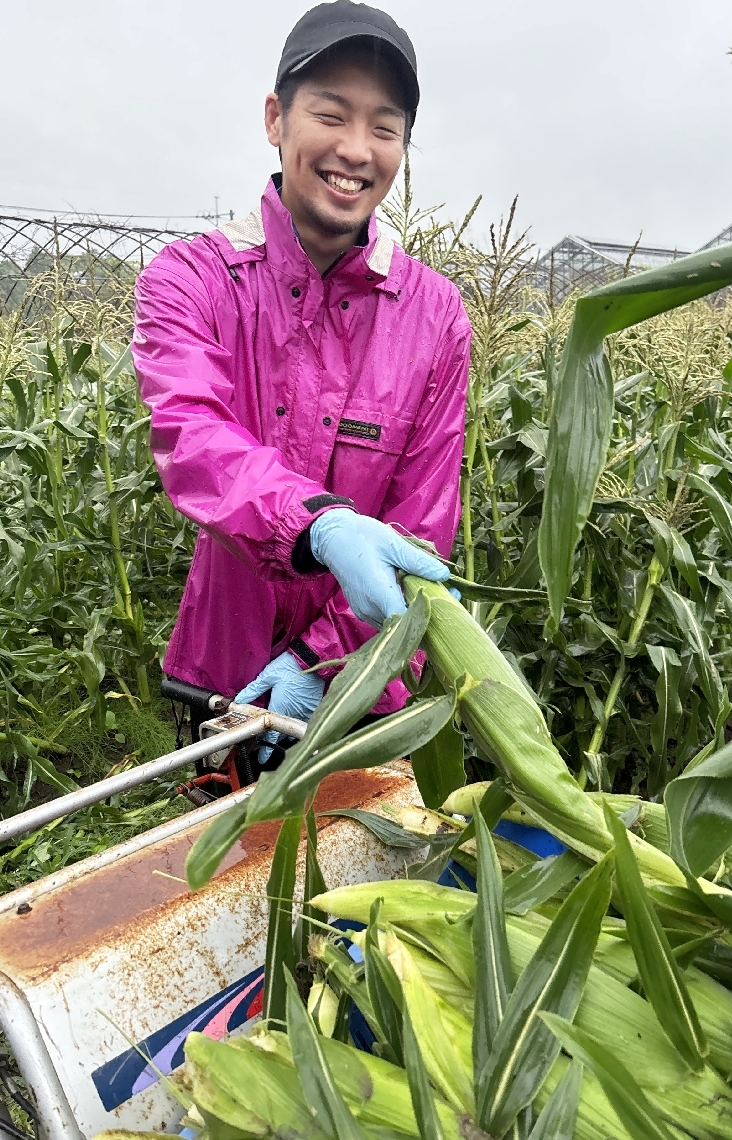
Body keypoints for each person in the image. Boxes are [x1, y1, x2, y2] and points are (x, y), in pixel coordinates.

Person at [132, 0, 471, 763]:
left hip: (358, 689)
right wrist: (316, 523)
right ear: (276, 117)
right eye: (331, 114)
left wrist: (327, 664)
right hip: (223, 682)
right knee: (213, 876)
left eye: (385, 128)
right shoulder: (193, 280)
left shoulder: (435, 314)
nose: (356, 149)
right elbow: (194, 439)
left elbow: (422, 522)